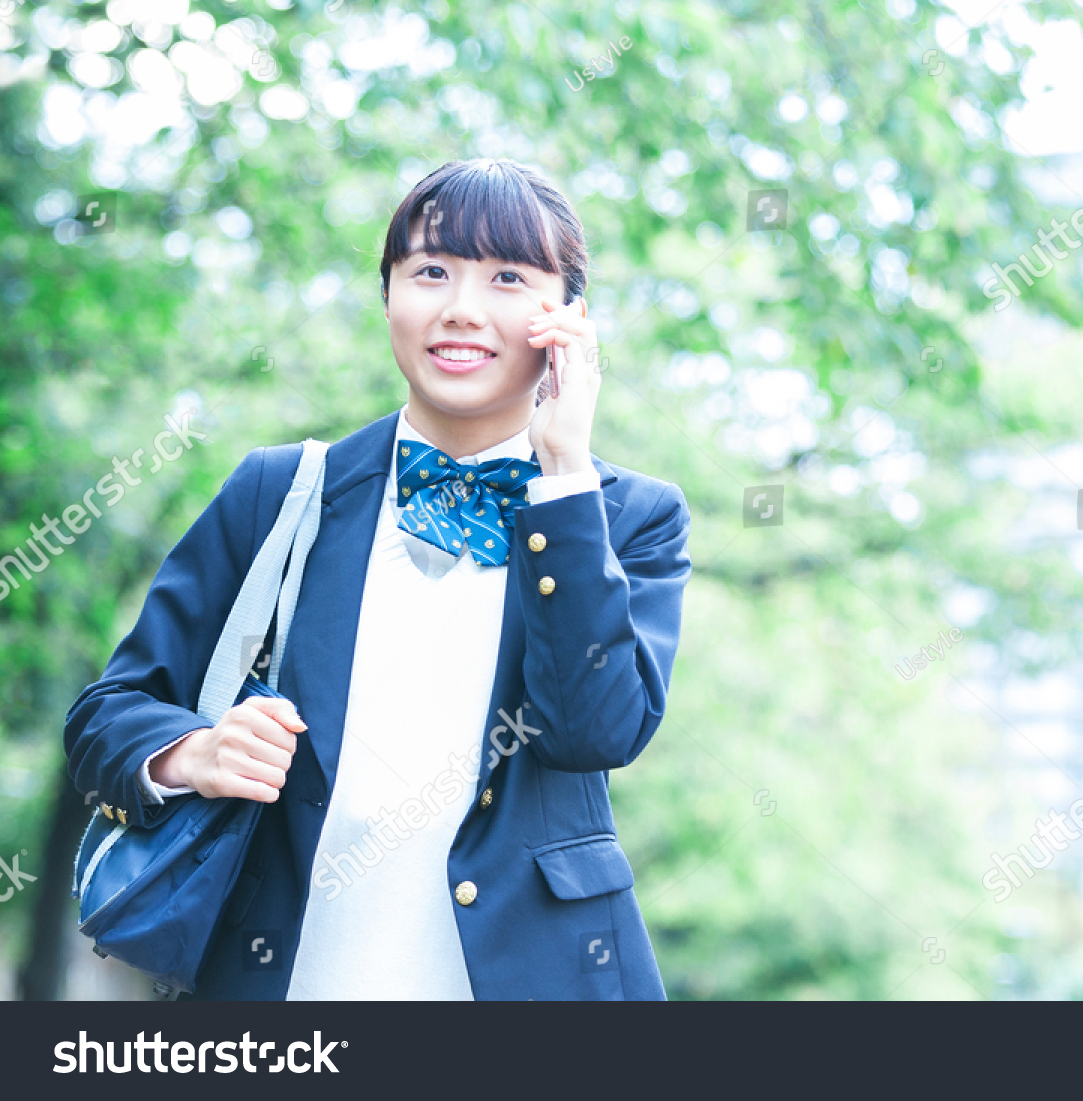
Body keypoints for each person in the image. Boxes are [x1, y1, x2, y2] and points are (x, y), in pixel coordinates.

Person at [63, 158, 691, 1000]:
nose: (461, 307)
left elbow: (595, 732)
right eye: (431, 270)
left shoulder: (625, 515)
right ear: (389, 294)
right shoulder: (282, 491)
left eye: (508, 277)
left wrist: (564, 476)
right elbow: (106, 713)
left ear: (566, 318)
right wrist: (193, 751)